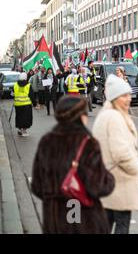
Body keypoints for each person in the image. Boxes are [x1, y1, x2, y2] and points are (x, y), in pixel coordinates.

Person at [31, 96, 115, 234]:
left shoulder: (46, 142)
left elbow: (37, 186)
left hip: (55, 221)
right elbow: (98, 186)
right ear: (80, 116)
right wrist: (109, 178)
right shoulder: (88, 143)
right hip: (85, 220)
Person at [92, 75, 138, 234]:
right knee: (122, 225)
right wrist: (136, 168)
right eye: (124, 95)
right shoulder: (114, 117)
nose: (129, 98)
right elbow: (120, 152)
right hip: (120, 181)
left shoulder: (107, 114)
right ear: (114, 97)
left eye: (129, 94)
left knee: (106, 223)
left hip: (108, 179)